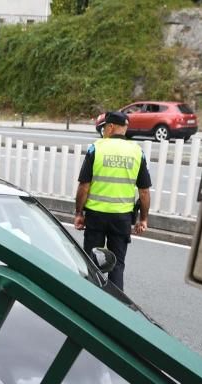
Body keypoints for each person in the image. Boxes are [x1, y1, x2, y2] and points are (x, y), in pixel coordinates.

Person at [73, 110, 151, 291]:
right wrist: (144, 219)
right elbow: (144, 191)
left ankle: (90, 299)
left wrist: (79, 213)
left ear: (110, 127)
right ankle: (116, 307)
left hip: (96, 216)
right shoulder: (137, 152)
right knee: (117, 264)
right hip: (122, 218)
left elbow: (84, 186)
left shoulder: (96, 148)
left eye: (105, 127)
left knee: (92, 263)